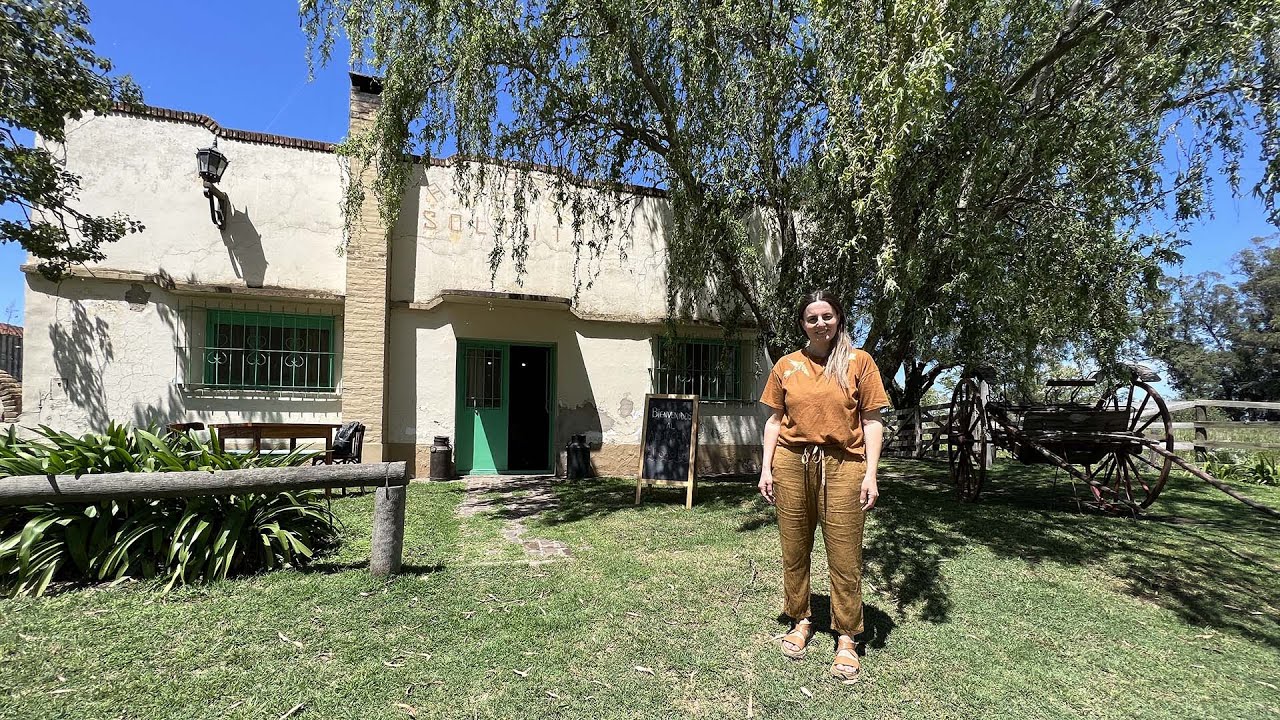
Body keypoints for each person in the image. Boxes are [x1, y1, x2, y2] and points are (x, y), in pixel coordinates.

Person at [758, 289, 889, 681]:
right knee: (794, 547)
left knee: (845, 552)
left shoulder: (858, 362)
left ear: (839, 319)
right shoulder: (787, 365)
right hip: (791, 462)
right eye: (812, 318)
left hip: (844, 463)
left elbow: (871, 421)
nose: (820, 323)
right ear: (803, 323)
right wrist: (766, 468)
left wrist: (871, 472)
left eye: (827, 316)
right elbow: (774, 421)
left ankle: (847, 636)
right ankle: (800, 619)